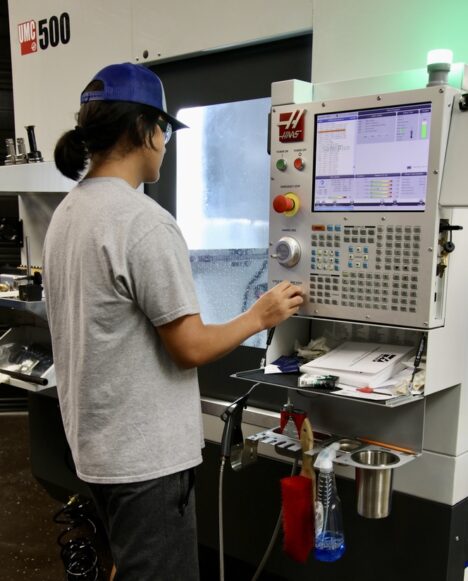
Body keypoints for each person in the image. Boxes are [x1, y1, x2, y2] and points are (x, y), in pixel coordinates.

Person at [43, 62, 304, 581]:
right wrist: (261, 314)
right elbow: (189, 347)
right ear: (143, 130)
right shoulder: (143, 223)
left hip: (96, 452)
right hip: (147, 465)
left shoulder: (69, 213)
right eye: (163, 129)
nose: (166, 142)